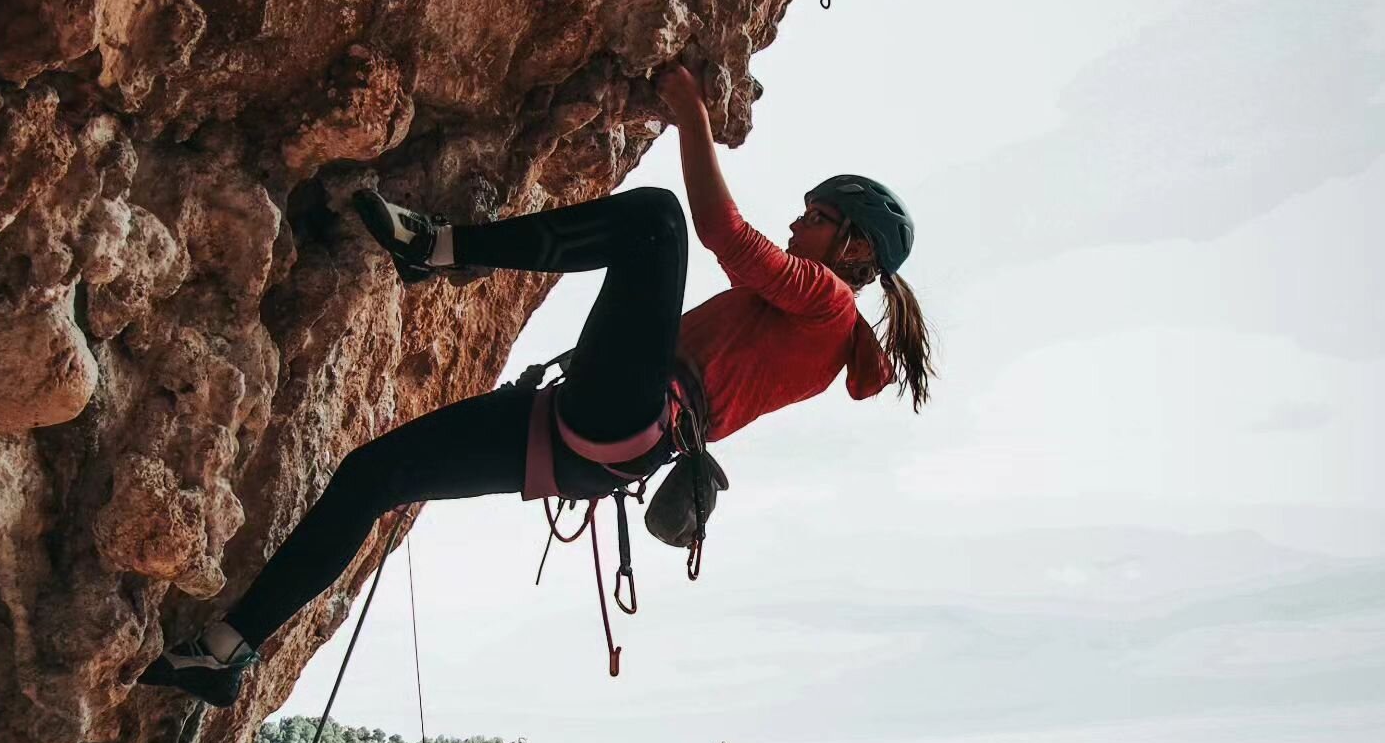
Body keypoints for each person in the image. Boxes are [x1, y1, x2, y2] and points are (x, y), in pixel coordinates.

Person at [141, 64, 934, 706]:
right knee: (371, 476)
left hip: (625, 417)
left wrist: (689, 110)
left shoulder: (828, 304)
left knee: (655, 219)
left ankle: (438, 249)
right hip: (587, 439)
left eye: (818, 217)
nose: (799, 224)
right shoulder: (823, 339)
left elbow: (721, 232)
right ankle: (225, 651)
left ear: (855, 249)